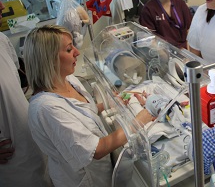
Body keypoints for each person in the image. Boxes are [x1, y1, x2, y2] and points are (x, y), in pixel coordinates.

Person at [23, 25, 154, 187]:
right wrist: (137, 123)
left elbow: (83, 111)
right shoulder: (46, 108)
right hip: (83, 179)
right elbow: (96, 150)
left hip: (101, 169)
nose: (77, 53)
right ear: (49, 59)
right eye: (69, 50)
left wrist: (110, 104)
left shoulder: (68, 80)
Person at [0, 2, 51, 187]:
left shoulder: (2, 41)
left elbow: (16, 89)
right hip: (11, 165)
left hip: (32, 145)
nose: (2, 6)